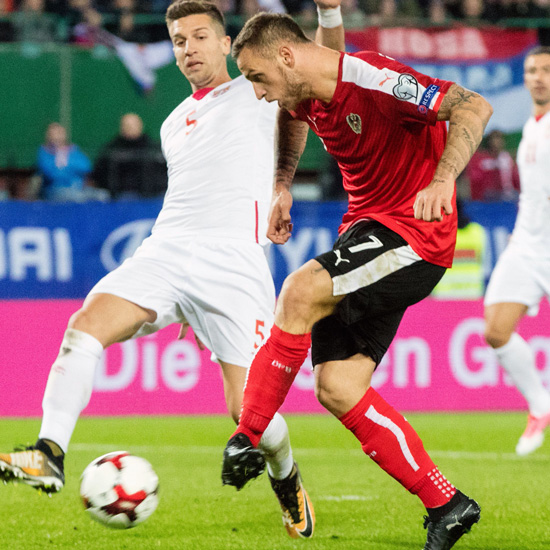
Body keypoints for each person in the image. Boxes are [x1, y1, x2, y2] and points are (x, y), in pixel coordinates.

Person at [0, 0, 345, 539]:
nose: (189, 49)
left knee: (246, 410)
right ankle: (49, 452)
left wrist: (327, 11)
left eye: (200, 37)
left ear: (226, 43)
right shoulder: (170, 123)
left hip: (232, 262)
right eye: (179, 40)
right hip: (165, 251)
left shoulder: (257, 90)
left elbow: (327, 64)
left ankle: (287, 477)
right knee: (84, 327)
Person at [219, 12, 492, 550]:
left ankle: (247, 434)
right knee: (338, 387)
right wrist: (281, 185)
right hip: (368, 231)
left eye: (256, 77)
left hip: (416, 234)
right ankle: (447, 504)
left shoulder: (376, 79)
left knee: (299, 291)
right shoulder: (305, 92)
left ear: (287, 56)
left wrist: (442, 180)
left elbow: (472, 106)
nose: (256, 93)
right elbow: (292, 115)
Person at [483, 46, 550, 457]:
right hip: (527, 243)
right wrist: (521, 230)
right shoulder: (531, 127)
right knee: (495, 330)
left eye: (546, 70)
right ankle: (540, 407)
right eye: (532, 70)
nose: (539, 76)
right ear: (523, 77)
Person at [93, 113, 167, 199]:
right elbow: (98, 175)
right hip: (116, 201)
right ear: (121, 127)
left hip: (151, 199)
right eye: (126, 125)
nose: (130, 128)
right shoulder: (111, 150)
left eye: (133, 125)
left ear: (141, 126)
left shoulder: (154, 149)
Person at [431, 199, 488, 299]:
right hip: (472, 293)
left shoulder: (437, 234)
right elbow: (486, 265)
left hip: (444, 295)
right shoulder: (478, 232)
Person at [36, 122, 103, 202]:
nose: (58, 137)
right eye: (54, 134)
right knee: (76, 197)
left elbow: (86, 166)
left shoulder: (73, 151)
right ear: (49, 136)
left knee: (102, 195)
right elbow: (52, 175)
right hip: (55, 190)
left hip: (78, 188)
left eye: (60, 133)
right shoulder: (44, 153)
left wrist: (65, 166)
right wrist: (68, 169)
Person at [466, 129, 520, 202]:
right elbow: (474, 179)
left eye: (499, 139)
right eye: (494, 139)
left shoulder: (507, 158)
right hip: (488, 196)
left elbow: (515, 178)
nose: (496, 143)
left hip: (507, 195)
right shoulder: (482, 160)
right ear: (489, 142)